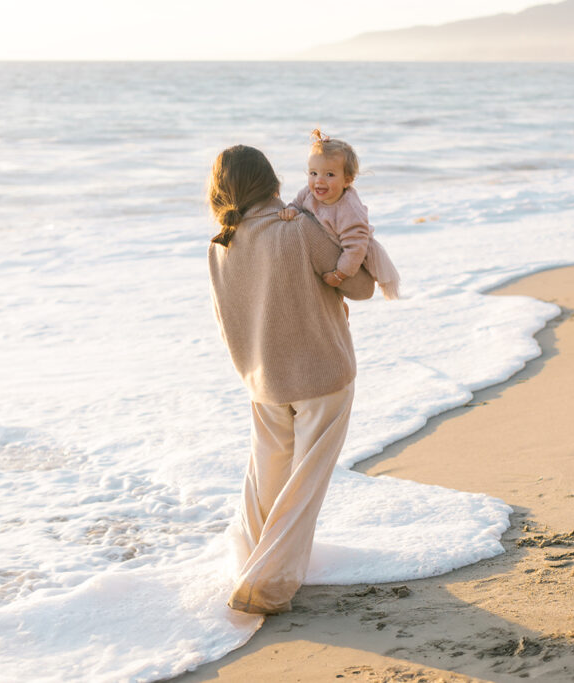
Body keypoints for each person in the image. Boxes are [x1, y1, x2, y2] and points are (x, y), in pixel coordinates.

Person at [206, 145, 376, 615]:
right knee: (304, 485)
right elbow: (361, 286)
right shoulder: (298, 226)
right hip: (322, 372)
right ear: (270, 180)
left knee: (266, 478)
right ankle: (267, 582)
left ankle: (248, 561)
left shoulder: (221, 243)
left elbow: (225, 320)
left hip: (262, 378)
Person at [279, 129, 400, 301]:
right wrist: (291, 210)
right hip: (327, 246)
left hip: (351, 256)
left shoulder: (349, 208)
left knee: (341, 292)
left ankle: (342, 314)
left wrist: (339, 274)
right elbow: (296, 204)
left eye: (329, 174)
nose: (319, 180)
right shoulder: (308, 193)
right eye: (313, 173)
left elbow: (356, 246)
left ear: (347, 180)